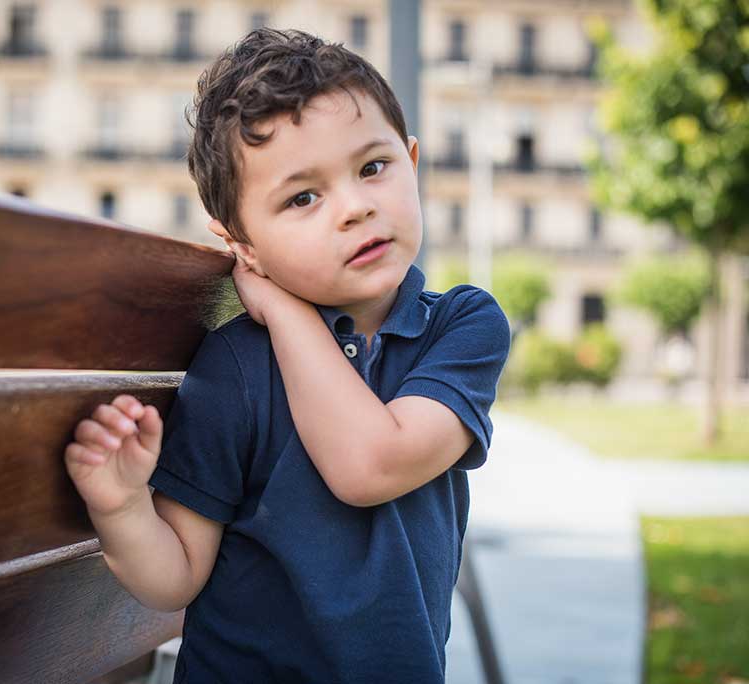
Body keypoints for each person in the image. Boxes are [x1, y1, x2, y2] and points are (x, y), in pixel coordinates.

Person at [64, 27, 512, 683]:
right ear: (243, 244)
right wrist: (121, 508)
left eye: (373, 168)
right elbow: (175, 577)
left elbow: (369, 464)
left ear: (412, 161)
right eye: (304, 197)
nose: (355, 208)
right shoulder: (234, 369)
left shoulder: (462, 326)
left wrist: (282, 311)